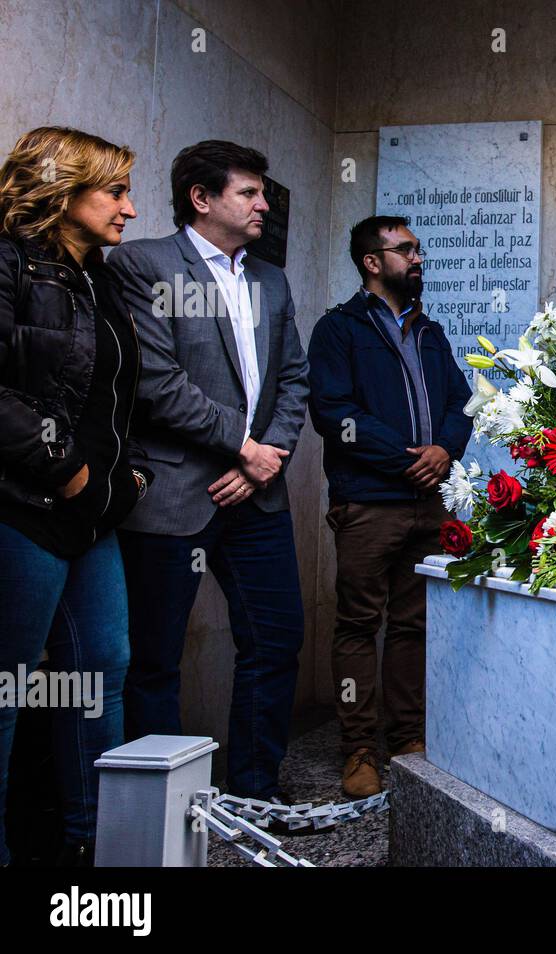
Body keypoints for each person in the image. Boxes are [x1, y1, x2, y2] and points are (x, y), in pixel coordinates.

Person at [108, 141, 309, 803]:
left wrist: (262, 461)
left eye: (263, 193)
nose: (263, 204)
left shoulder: (271, 280)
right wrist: (242, 447)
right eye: (249, 193)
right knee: (155, 660)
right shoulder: (142, 264)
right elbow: (156, 384)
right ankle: (161, 816)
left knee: (276, 640)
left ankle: (256, 791)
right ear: (202, 198)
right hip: (172, 495)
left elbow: (294, 382)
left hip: (258, 496)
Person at [0, 126, 149, 866]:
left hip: (94, 518)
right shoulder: (8, 261)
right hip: (23, 505)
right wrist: (66, 470)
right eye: (115, 190)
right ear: (62, 189)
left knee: (102, 671)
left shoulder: (100, 278)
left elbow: (121, 398)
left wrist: (127, 480)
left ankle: (95, 850)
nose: (129, 207)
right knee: (8, 687)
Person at [307, 215, 470, 797]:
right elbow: (333, 413)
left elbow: (461, 400)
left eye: (418, 249)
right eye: (406, 250)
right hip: (369, 504)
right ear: (372, 262)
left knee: (415, 624)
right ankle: (358, 751)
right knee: (357, 625)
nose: (418, 258)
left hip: (430, 506)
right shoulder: (338, 329)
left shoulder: (431, 331)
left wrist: (445, 448)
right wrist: (407, 457)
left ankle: (407, 741)